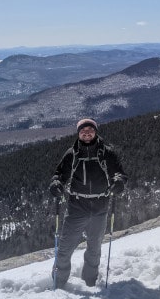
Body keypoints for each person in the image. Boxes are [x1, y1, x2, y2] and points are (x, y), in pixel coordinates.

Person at [49, 118, 127, 288]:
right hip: (77, 205)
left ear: (95, 132)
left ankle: (90, 282)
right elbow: (60, 175)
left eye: (90, 129)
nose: (87, 132)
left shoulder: (107, 153)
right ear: (78, 133)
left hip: (100, 206)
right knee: (65, 247)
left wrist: (119, 182)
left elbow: (119, 173)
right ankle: (59, 282)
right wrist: (56, 184)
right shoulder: (72, 154)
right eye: (83, 130)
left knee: (94, 248)